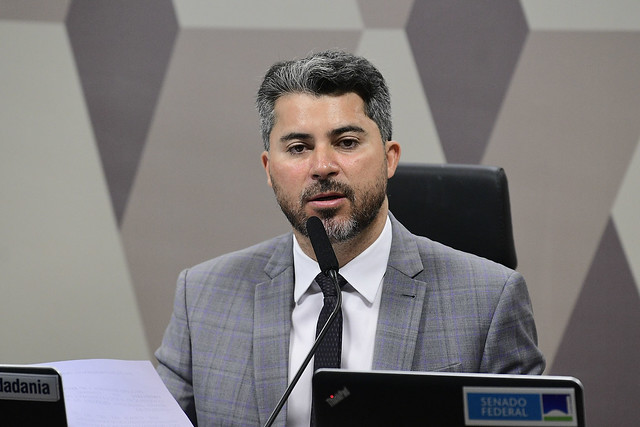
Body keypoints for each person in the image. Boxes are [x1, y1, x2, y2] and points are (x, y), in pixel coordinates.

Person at [155, 50, 545, 427]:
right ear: (269, 169)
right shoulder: (202, 297)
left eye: (346, 142)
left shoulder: (490, 302)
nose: (322, 167)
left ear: (390, 158)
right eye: (298, 148)